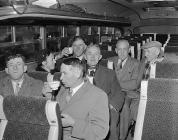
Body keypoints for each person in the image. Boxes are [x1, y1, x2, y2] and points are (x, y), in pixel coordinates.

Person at [43, 57, 109, 140]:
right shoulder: (61, 90)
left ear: (78, 73)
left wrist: (73, 123)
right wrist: (49, 95)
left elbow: (100, 132)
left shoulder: (98, 95)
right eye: (61, 73)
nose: (61, 77)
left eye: (65, 73)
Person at [84, 44, 125, 140]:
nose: (93, 57)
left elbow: (119, 92)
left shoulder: (109, 73)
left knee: (111, 123)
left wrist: (112, 106)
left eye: (96, 54)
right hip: (83, 106)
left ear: (100, 57)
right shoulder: (77, 72)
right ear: (85, 57)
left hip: (104, 107)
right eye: (89, 54)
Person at [108, 39, 140, 140]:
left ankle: (122, 137)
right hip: (111, 92)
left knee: (124, 107)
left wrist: (114, 85)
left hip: (127, 93)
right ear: (116, 50)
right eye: (119, 49)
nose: (122, 52)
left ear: (129, 50)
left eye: (125, 49)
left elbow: (134, 83)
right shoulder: (109, 60)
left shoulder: (136, 63)